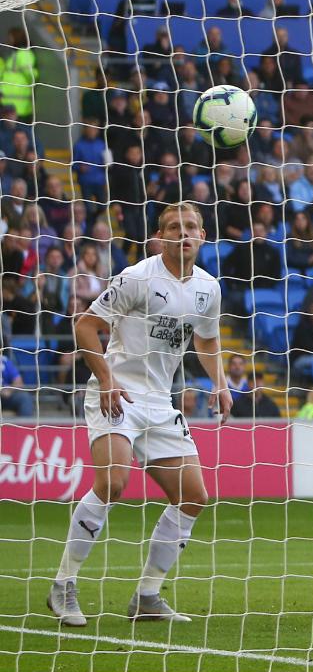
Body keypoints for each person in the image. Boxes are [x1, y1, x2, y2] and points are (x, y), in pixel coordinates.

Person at [48, 204, 231, 627]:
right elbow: (85, 325)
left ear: (202, 236)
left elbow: (205, 340)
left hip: (160, 402)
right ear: (159, 237)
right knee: (113, 481)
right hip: (118, 394)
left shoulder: (208, 288)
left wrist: (220, 382)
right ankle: (64, 584)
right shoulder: (137, 277)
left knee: (193, 496)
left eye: (190, 228)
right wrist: (107, 379)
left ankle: (147, 595)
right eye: (173, 228)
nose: (182, 234)